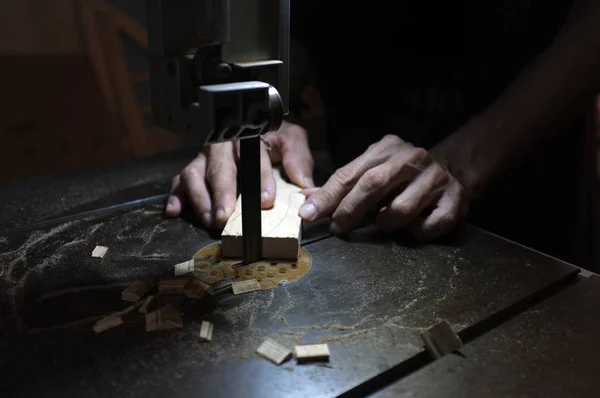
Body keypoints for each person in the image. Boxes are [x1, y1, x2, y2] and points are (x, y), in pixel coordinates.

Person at [165, 0, 600, 260]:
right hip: (357, 162)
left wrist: (459, 162)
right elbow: (297, 32)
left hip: (513, 180)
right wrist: (256, 118)